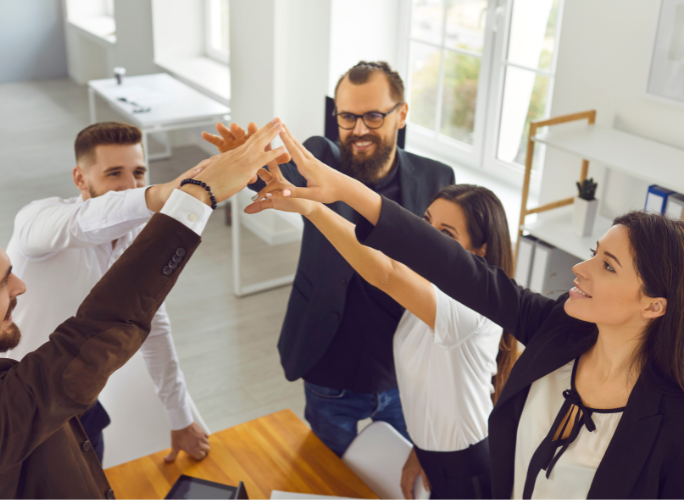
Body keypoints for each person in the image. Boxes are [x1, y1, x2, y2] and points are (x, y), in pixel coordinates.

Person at [257, 125, 684, 498]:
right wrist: (334, 195)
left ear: (654, 304)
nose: (579, 268)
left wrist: (325, 200)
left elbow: (391, 272)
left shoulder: (670, 424)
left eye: (607, 266)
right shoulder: (557, 330)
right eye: (594, 253)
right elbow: (444, 262)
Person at [0, 119, 286, 498]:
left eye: (138, 173)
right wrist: (192, 194)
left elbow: (151, 324)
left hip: (75, 415)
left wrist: (179, 416)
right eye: (3, 281)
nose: (19, 285)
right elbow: (102, 322)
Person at [203, 61, 455, 456]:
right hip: (328, 362)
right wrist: (247, 164)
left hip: (404, 372)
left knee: (399, 473)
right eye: (347, 116)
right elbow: (278, 178)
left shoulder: (438, 178)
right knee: (327, 474)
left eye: (373, 116)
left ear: (401, 113)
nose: (358, 130)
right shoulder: (318, 156)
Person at [248, 155, 516, 498]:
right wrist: (422, 447)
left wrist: (311, 209)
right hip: (435, 455)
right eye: (425, 223)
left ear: (480, 251)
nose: (426, 239)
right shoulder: (428, 289)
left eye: (446, 234)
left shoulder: (471, 309)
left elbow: (384, 272)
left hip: (467, 471)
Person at [1, 121, 207, 463]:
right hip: (12, 409)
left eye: (139, 172)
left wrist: (180, 418)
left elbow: (156, 331)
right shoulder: (39, 220)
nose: (130, 185)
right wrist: (161, 195)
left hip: (80, 405)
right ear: (80, 179)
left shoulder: (137, 245)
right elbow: (85, 221)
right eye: (114, 173)